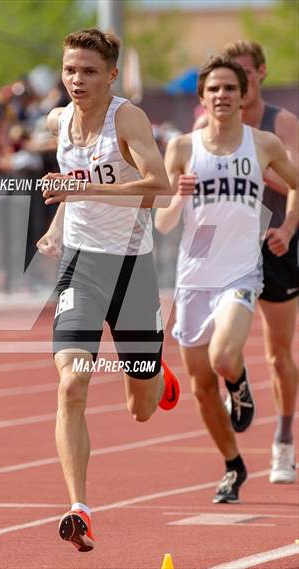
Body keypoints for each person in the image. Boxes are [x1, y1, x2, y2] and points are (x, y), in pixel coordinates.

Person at [36, 28, 180, 553]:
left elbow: (159, 187)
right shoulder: (57, 121)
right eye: (70, 69)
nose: (77, 79)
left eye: (90, 71)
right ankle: (80, 508)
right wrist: (56, 228)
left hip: (132, 272)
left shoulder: (128, 118)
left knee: (140, 408)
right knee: (71, 384)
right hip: (81, 268)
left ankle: (158, 375)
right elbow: (70, 189)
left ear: (112, 75)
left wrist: (81, 188)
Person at [155, 55, 298, 504]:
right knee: (200, 385)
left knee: (223, 357)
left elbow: (296, 183)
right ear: (202, 98)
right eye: (213, 89)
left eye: (230, 89)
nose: (222, 96)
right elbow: (161, 223)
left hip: (240, 272)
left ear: (244, 95)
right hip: (194, 277)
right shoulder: (181, 148)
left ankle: (239, 384)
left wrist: (287, 227)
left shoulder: (263, 145)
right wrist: (177, 201)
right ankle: (233, 466)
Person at [194, 41, 298, 485]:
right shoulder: (204, 123)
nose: (234, 86)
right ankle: (237, 382)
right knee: (219, 351)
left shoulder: (280, 124)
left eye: (244, 76)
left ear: (259, 75)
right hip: (226, 250)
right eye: (225, 78)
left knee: (278, 354)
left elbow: (295, 183)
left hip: (275, 242)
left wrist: (288, 230)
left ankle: (284, 441)